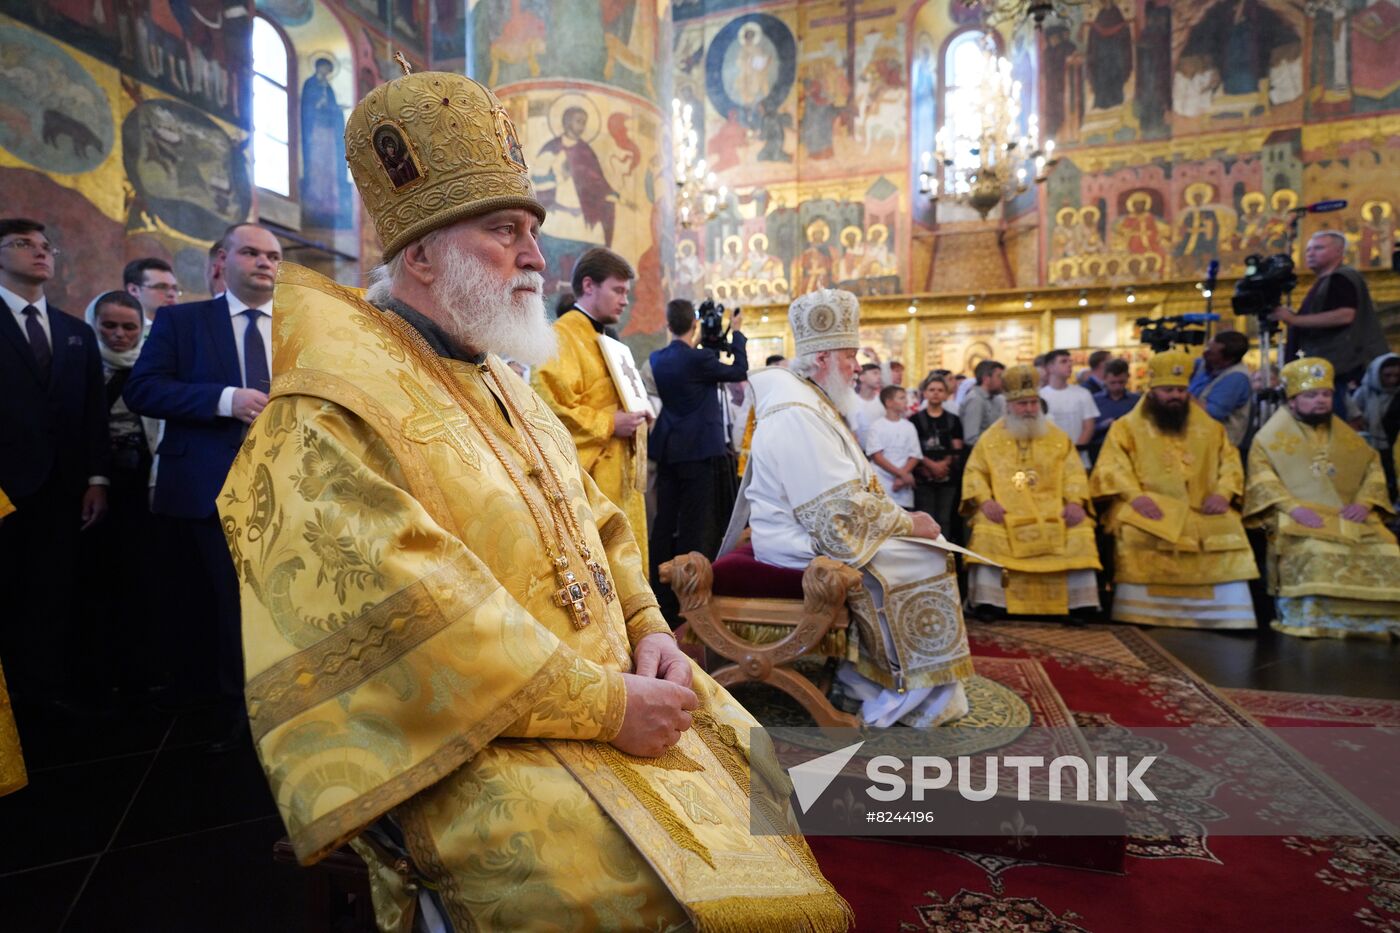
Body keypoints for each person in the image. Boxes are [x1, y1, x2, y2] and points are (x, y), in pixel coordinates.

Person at [220, 69, 850, 930]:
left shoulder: (505, 383)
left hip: (608, 685)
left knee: (752, 763)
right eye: (503, 230)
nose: (533, 256)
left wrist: (650, 628)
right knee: (622, 889)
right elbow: (414, 617)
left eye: (533, 231)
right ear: (422, 252)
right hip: (470, 742)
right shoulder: (330, 411)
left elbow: (597, 519)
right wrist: (607, 705)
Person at [732, 288, 972, 729]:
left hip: (808, 529)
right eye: (849, 356)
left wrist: (901, 523)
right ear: (822, 359)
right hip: (792, 539)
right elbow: (831, 515)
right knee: (924, 556)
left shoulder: (811, 401)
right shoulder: (794, 411)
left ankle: (871, 679)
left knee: (923, 548)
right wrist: (907, 522)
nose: (856, 367)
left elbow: (843, 492)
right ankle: (906, 693)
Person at [125, 222, 283, 751]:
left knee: (273, 604)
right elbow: (143, 389)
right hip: (204, 486)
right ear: (221, 260)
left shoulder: (295, 327)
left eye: (273, 256)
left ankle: (275, 703)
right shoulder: (182, 320)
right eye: (252, 252)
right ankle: (226, 711)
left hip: (285, 487)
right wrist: (224, 400)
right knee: (214, 605)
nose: (265, 263)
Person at [0, 218, 109, 712]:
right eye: (23, 244)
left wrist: (96, 478)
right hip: (4, 486)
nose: (40, 252)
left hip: (63, 487)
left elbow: (92, 413)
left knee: (52, 591)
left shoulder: (74, 332)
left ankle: (46, 692)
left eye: (47, 246)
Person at [1091, 350, 1259, 629]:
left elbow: (1230, 464)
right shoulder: (1126, 427)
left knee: (1230, 524)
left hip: (1202, 504)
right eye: (1168, 390)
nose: (1175, 396)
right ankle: (1141, 610)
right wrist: (1136, 498)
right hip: (1146, 502)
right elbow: (1112, 468)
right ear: (1152, 390)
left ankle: (1224, 614)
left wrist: (1223, 494)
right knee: (1133, 529)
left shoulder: (1211, 428)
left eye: (1181, 390)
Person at [1244, 357, 1400, 640]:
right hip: (1299, 514)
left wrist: (1363, 504)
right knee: (1315, 548)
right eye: (1311, 395)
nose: (1321, 401)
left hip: (1347, 513)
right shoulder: (1267, 439)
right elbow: (1262, 480)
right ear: (1292, 401)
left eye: (1326, 395)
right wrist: (1293, 509)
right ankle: (1314, 619)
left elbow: (1372, 470)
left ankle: (1379, 622)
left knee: (1388, 545)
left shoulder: (1348, 436)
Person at [532, 246, 652, 569]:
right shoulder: (561, 337)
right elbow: (547, 408)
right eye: (618, 290)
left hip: (621, 480)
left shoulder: (609, 341)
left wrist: (640, 412)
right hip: (591, 485)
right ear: (588, 286)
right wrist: (610, 423)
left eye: (627, 291)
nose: (625, 300)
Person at [961, 365, 1102, 621]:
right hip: (1004, 511)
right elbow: (974, 473)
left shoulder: (1058, 438)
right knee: (985, 529)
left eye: (1033, 403)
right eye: (1022, 404)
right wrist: (985, 501)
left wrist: (1075, 502)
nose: (1028, 409)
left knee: (1081, 528)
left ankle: (1079, 605)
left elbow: (1074, 473)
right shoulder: (990, 439)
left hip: (1053, 510)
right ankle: (990, 603)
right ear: (1010, 405)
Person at [648, 298, 748, 615]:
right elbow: (740, 370)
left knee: (665, 520)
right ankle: (690, 591)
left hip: (668, 447)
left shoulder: (657, 358)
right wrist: (738, 333)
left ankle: (659, 587)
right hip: (700, 450)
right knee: (696, 522)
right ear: (694, 326)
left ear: (668, 325)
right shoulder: (700, 360)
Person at [84, 291, 162, 697]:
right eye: (109, 326)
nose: (118, 335)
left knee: (144, 572)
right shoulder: (81, 362)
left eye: (129, 327)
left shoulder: (152, 363)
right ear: (94, 324)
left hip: (144, 477)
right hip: (95, 479)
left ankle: (142, 667)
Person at [1271, 230, 1389, 415]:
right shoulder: (1327, 280)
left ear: (1339, 252)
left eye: (1318, 248)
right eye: (1308, 249)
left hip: (1335, 368)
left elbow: (1345, 315)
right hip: (1328, 368)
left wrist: (1294, 319)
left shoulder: (1341, 277)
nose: (1310, 253)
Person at [911, 375, 964, 540]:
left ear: (946, 394)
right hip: (923, 476)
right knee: (925, 518)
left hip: (947, 477)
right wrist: (931, 466)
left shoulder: (953, 420)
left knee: (944, 519)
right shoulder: (915, 420)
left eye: (940, 390)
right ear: (925, 393)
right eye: (932, 390)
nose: (936, 393)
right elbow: (913, 447)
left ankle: (945, 558)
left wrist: (943, 465)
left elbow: (957, 447)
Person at [1188, 330, 1252, 447]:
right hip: (1196, 438)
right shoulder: (1207, 364)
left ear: (1228, 359)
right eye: (1207, 347)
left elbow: (1212, 413)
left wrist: (1181, 394)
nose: (1204, 353)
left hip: (1219, 446)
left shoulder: (1236, 378)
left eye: (1211, 352)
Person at [1351, 352, 1400, 499]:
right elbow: (1354, 418)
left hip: (1394, 446)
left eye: (1397, 376)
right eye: (1387, 375)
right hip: (1369, 445)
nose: (1393, 380)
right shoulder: (1364, 394)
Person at [1040, 348, 1100, 467]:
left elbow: (1088, 426)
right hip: (1049, 459)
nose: (1069, 365)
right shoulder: (1040, 396)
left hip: (1079, 459)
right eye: (1063, 361)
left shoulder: (1083, 393)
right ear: (1050, 368)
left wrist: (1074, 451)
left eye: (1070, 361)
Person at [864, 385, 921, 508]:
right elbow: (877, 457)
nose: (906, 401)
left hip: (903, 485)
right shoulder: (877, 426)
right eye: (901, 398)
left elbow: (915, 455)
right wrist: (902, 474)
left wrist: (902, 477)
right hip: (882, 481)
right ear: (889, 402)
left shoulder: (909, 426)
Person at [1089, 357, 1139, 464]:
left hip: (1129, 449)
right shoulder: (1093, 400)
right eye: (1113, 383)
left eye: (1121, 382)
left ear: (1127, 378)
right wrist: (1103, 425)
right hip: (1099, 449)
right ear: (1104, 379)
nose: (1117, 387)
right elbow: (1087, 430)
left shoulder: (1137, 401)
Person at [123, 257, 181, 330]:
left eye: (174, 288)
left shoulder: (184, 329)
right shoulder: (120, 330)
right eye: (161, 287)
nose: (171, 294)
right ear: (133, 290)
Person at [960, 359, 1006, 446]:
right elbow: (972, 438)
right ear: (986, 379)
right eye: (999, 376)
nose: (1003, 381)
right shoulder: (975, 399)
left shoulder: (998, 399)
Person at [848, 361, 884, 443]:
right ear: (862, 377)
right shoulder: (851, 402)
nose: (879, 377)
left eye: (880, 374)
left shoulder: (883, 400)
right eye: (875, 373)